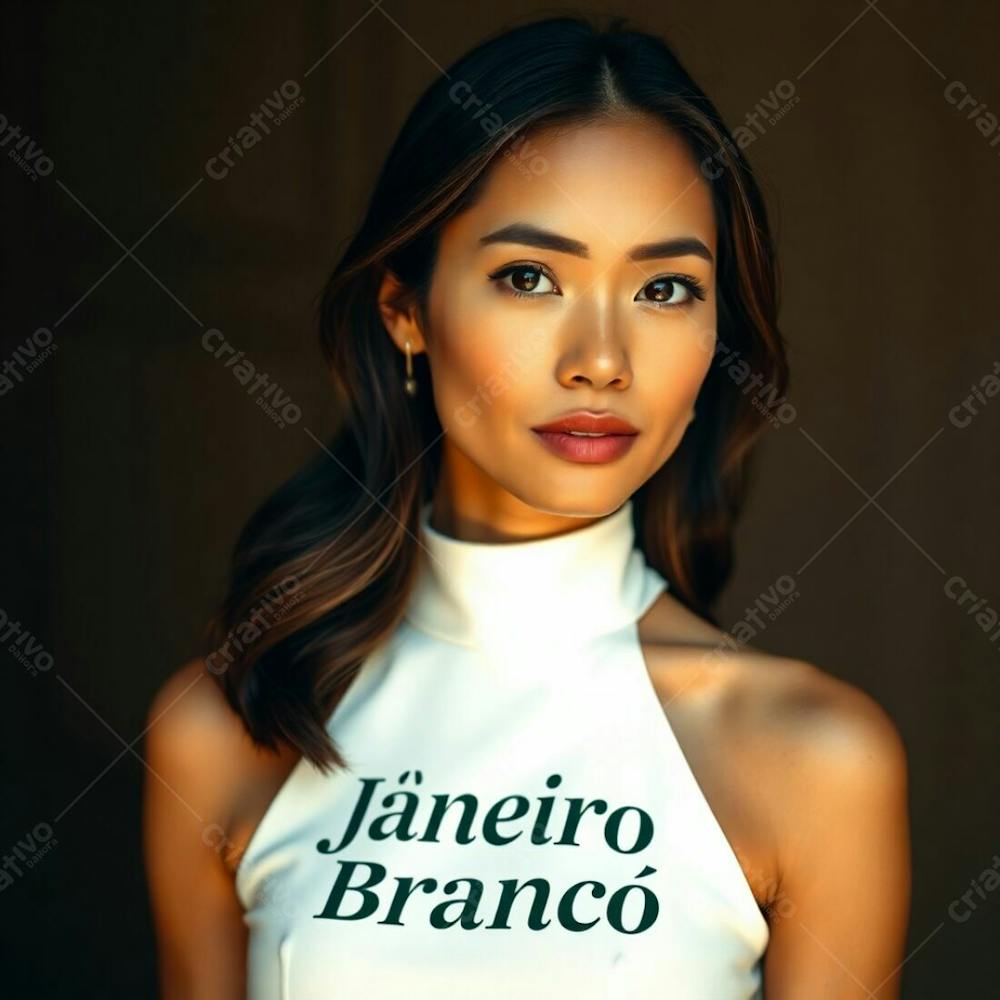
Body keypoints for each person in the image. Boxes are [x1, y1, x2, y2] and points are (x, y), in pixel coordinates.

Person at [143, 12, 911, 999]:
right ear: (405, 312)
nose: (600, 357)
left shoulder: (814, 757)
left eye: (666, 288)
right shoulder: (224, 729)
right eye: (529, 276)